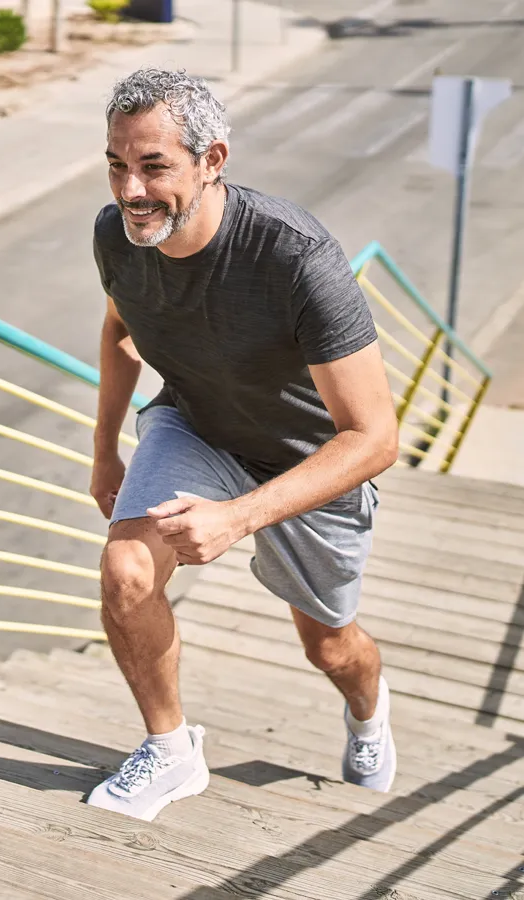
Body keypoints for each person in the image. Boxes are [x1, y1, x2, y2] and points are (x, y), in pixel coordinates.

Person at [86, 68, 399, 822]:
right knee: (126, 572)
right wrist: (105, 451)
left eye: (154, 166)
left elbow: (375, 436)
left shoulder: (294, 256)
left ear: (212, 160)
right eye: (118, 164)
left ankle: (368, 714)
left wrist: (239, 516)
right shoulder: (117, 234)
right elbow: (120, 332)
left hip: (307, 464)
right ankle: (170, 753)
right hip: (194, 423)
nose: (131, 189)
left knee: (330, 648)